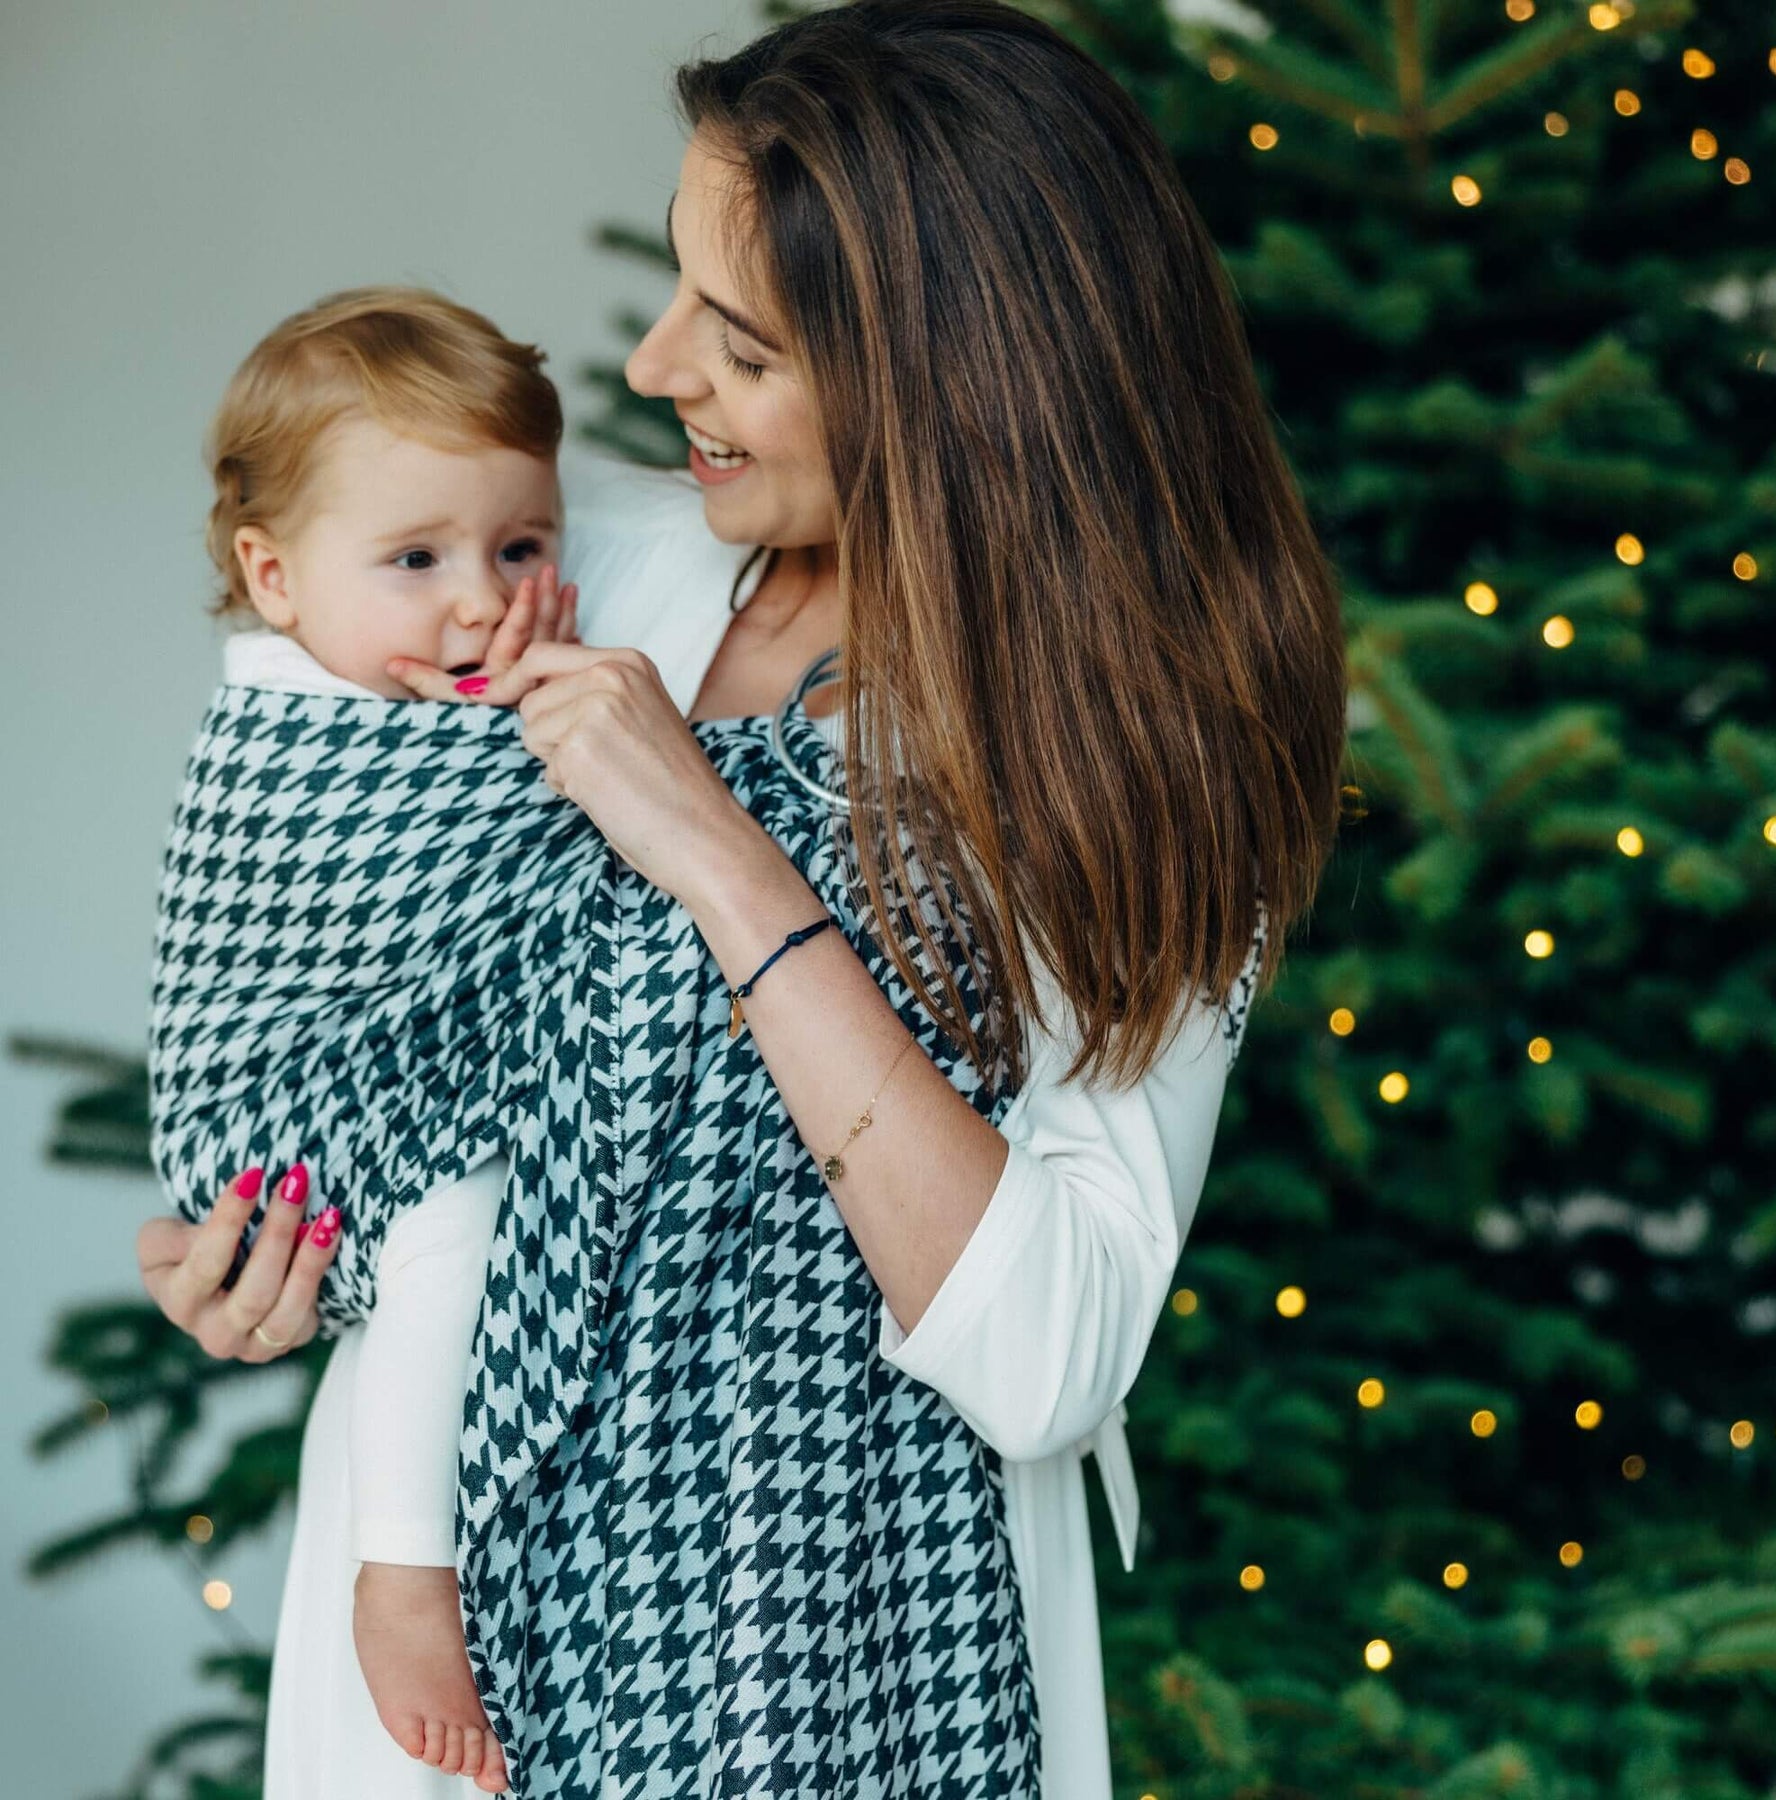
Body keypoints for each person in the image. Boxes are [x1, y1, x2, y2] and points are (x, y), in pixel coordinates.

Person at [137, 4, 1347, 1795]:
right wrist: (262, 1248)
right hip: (456, 1648)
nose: (650, 367)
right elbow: (350, 961)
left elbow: (1049, 1356)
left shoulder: (1144, 752)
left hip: (851, 1663)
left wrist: (719, 853)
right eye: (680, 292)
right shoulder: (564, 563)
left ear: (948, 382)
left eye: (742, 341)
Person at [160, 286, 582, 1792]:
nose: (480, 604)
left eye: (521, 548)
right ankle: (405, 1569)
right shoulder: (294, 739)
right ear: (272, 576)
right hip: (282, 1126)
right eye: (416, 560)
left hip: (373, 1104)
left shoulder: (422, 691)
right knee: (456, 1218)